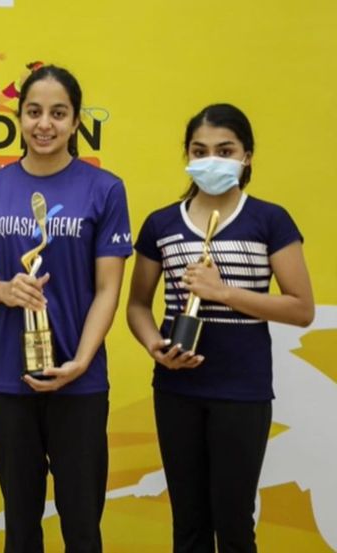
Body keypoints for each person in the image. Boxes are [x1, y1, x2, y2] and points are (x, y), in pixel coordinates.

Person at [127, 103, 314, 553]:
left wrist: (223, 291)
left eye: (224, 149)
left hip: (242, 391)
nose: (211, 159)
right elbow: (136, 304)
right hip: (177, 389)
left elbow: (301, 308)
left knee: (233, 523)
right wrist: (155, 345)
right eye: (200, 149)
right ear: (188, 156)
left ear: (247, 155)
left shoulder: (269, 220)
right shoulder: (162, 224)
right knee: (188, 524)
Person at [0, 65, 132, 553]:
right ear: (19, 117)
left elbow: (108, 289)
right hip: (8, 379)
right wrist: (2, 291)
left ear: (76, 122)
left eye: (59, 114)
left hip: (81, 381)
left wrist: (80, 361)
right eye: (34, 112)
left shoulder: (105, 190)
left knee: (82, 525)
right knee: (20, 524)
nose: (45, 124)